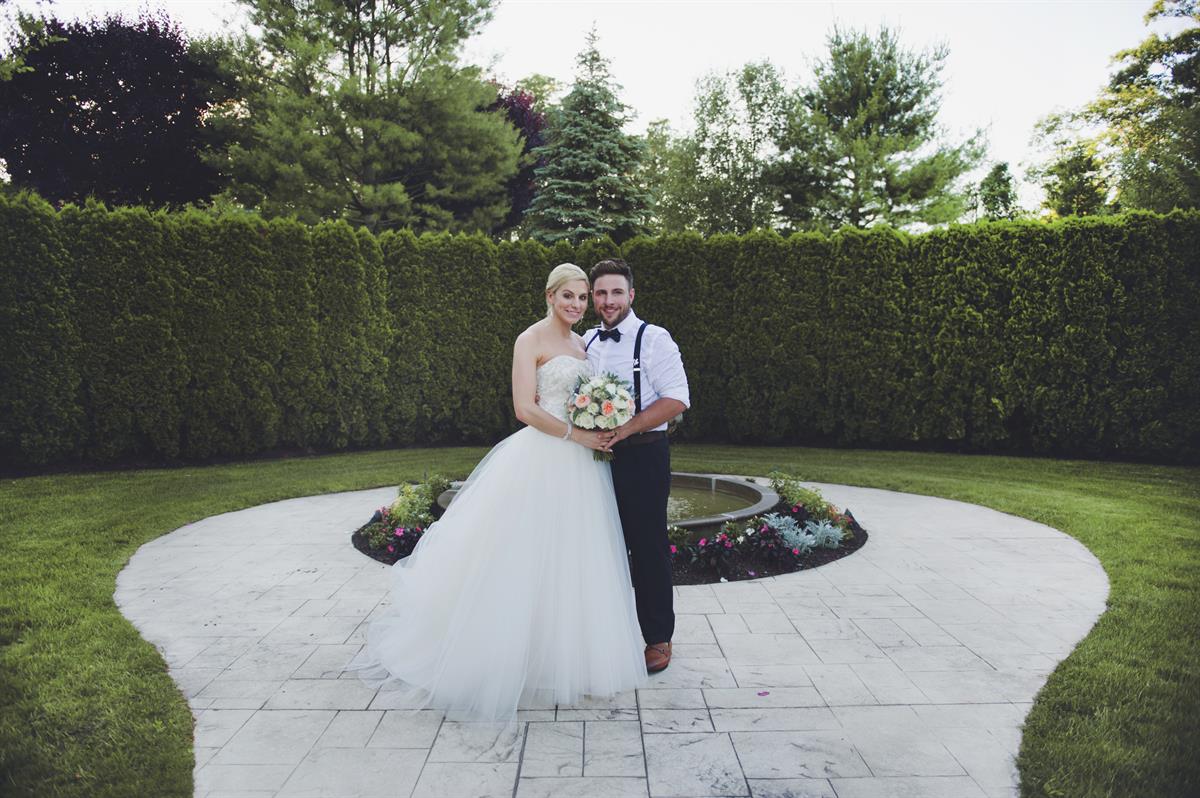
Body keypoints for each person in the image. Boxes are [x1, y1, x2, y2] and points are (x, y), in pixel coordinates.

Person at [346, 263, 647, 722]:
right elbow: (525, 408)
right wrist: (577, 434)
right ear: (549, 296)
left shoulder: (582, 344)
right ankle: (501, 653)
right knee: (520, 554)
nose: (577, 305)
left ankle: (560, 654)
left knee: (573, 556)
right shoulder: (529, 340)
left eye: (583, 298)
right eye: (568, 296)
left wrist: (601, 422)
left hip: (583, 467)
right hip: (543, 456)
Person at [586, 258, 690, 673]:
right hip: (593, 458)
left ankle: (658, 637)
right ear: (593, 298)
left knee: (647, 547)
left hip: (644, 454)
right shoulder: (586, 341)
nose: (608, 300)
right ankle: (603, 633)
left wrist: (626, 428)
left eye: (616, 292)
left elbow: (677, 398)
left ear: (631, 295)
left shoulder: (654, 339)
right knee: (597, 545)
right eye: (601, 293)